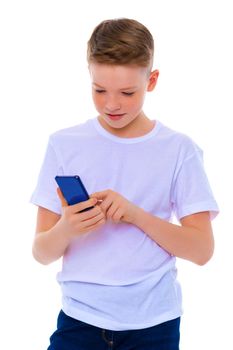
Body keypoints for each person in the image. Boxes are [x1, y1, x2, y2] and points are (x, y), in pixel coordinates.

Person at [30, 18, 219, 350]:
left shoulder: (179, 150)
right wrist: (68, 228)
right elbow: (41, 252)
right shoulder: (64, 144)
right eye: (99, 90)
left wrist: (135, 215)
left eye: (127, 92)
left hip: (154, 324)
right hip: (79, 320)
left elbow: (202, 251)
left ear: (152, 80)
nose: (111, 104)